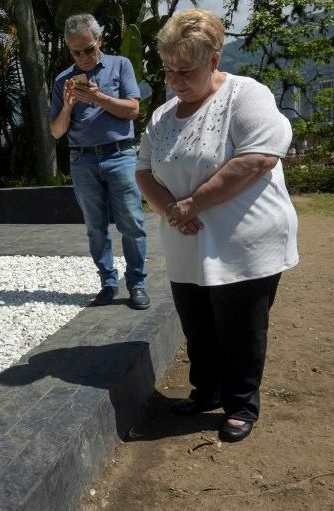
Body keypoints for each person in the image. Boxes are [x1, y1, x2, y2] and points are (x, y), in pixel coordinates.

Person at [136, 8, 297, 442]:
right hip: (185, 242)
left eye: (185, 70)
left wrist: (192, 204)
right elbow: (144, 170)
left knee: (240, 329)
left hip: (244, 242)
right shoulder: (164, 115)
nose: (175, 80)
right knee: (199, 326)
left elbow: (258, 158)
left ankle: (241, 404)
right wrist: (172, 209)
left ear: (213, 59)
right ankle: (205, 391)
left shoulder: (246, 95)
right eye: (169, 70)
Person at [50, 13, 150, 310]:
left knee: (131, 221)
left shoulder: (121, 65)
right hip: (82, 159)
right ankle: (108, 282)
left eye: (88, 49)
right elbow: (56, 131)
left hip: (120, 154)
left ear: (99, 41)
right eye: (75, 52)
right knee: (95, 227)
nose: (82, 57)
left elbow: (133, 110)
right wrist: (68, 106)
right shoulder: (62, 81)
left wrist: (97, 98)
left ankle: (137, 283)